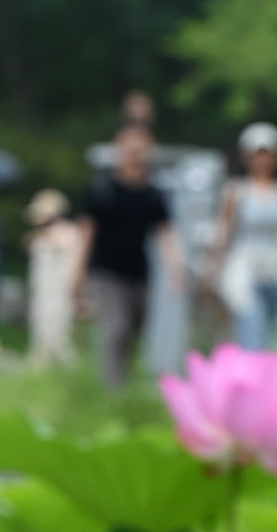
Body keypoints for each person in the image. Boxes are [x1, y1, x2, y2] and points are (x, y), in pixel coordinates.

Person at [73, 122, 184, 388]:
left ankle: (124, 381)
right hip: (106, 272)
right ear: (119, 148)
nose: (136, 150)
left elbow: (165, 233)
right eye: (130, 145)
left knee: (135, 331)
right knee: (116, 328)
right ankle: (112, 389)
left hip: (138, 274)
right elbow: (86, 234)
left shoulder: (153, 195)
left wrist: (175, 267)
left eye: (141, 145)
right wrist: (76, 274)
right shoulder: (102, 191)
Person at [212, 122, 277, 351]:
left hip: (276, 267)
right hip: (245, 267)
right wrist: (215, 269)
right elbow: (224, 232)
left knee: (275, 331)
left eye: (268, 154)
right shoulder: (235, 191)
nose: (263, 160)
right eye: (258, 154)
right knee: (252, 327)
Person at [23, 189, 79, 368]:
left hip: (61, 290)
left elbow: (75, 259)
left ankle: (67, 366)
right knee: (40, 329)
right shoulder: (39, 235)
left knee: (59, 331)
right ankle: (40, 364)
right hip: (41, 289)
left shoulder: (69, 232)